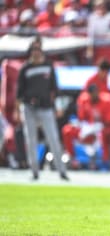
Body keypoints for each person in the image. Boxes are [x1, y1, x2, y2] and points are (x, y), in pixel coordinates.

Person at [16, 39, 69, 180]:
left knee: (53, 138)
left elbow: (55, 89)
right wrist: (17, 111)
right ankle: (34, 171)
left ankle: (62, 171)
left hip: (46, 107)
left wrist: (58, 106)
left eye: (38, 49)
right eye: (33, 50)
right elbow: (19, 93)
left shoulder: (48, 66)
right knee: (31, 139)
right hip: (29, 107)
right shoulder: (25, 68)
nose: (36, 52)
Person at [62, 84, 110, 170]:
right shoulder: (84, 100)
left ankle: (105, 161)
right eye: (92, 93)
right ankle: (72, 158)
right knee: (67, 130)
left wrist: (97, 125)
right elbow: (81, 118)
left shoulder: (107, 100)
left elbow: (109, 121)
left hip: (100, 127)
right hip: (87, 127)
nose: (95, 95)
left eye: (96, 92)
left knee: (106, 133)